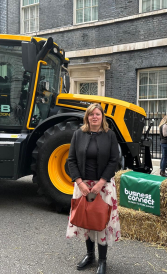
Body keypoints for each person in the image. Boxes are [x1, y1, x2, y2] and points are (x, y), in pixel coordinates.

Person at [66, 103, 121, 274]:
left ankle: (102, 261)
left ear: (102, 117)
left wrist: (100, 183)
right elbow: (71, 160)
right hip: (83, 186)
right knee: (86, 221)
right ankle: (90, 256)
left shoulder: (110, 135)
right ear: (87, 117)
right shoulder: (78, 134)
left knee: (101, 222)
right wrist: (80, 183)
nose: (94, 117)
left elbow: (114, 161)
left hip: (103, 186)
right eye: (91, 114)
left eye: (97, 114)